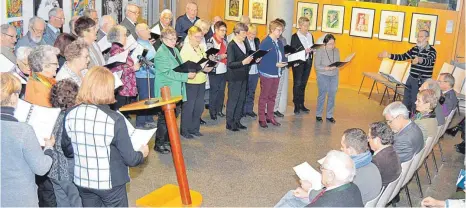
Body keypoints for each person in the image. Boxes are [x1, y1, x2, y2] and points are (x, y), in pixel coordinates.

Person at [61, 66, 149, 207]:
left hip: (83, 180)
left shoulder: (71, 113)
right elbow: (131, 159)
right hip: (109, 182)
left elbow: (67, 150)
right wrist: (142, 153)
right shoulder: (114, 119)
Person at [0, 72, 55, 207]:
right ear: (13, 97)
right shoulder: (23, 131)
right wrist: (49, 148)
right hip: (21, 199)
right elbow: (41, 168)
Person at [154, 27, 196, 153]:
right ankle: (159, 143)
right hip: (166, 89)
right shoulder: (161, 53)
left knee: (174, 115)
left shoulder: (175, 50)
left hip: (176, 88)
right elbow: (167, 73)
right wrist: (186, 76)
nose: (174, 41)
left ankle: (167, 139)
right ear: (163, 39)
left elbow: (180, 66)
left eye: (175, 38)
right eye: (171, 39)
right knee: (164, 117)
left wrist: (189, 69)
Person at [275, 150, 363, 207]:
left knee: (288, 202)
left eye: (322, 168)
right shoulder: (354, 188)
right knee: (292, 195)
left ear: (331, 175)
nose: (321, 171)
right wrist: (308, 194)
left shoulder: (323, 204)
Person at [379, 30, 437, 113]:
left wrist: (419, 59)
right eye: (418, 36)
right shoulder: (414, 49)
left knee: (416, 102)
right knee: (406, 100)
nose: (418, 39)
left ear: (427, 38)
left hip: (422, 81)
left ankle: (413, 120)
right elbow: (403, 56)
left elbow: (429, 61)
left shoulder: (432, 51)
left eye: (421, 37)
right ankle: (404, 116)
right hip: (411, 78)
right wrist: (389, 55)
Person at [48, 79, 82, 207]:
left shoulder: (51, 115)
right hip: (69, 172)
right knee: (77, 202)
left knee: (62, 203)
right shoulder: (74, 119)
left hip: (53, 170)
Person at [180, 26, 213, 138]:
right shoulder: (185, 49)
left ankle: (194, 128)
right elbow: (185, 67)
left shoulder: (200, 48)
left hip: (201, 79)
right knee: (189, 107)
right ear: (190, 36)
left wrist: (208, 67)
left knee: (199, 106)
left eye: (200, 37)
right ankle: (185, 130)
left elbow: (203, 62)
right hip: (191, 82)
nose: (199, 39)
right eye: (196, 37)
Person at [340, 128, 382, 204]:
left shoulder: (350, 179)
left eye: (343, 147)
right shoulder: (374, 166)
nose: (341, 149)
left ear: (350, 150)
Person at [257, 20, 287, 128]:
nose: (280, 32)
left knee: (272, 97)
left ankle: (270, 116)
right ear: (272, 30)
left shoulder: (279, 42)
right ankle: (261, 118)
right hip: (267, 73)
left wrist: (287, 60)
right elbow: (261, 59)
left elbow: (282, 56)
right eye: (278, 30)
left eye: (281, 30)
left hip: (277, 73)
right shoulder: (265, 42)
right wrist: (276, 64)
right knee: (264, 96)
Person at [226, 23, 255, 131]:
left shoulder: (245, 43)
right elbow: (230, 63)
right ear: (236, 33)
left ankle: (237, 121)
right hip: (234, 77)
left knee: (241, 100)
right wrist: (243, 62)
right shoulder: (231, 45)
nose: (245, 35)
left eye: (246, 32)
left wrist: (254, 60)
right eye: (243, 33)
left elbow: (247, 60)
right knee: (233, 100)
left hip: (244, 76)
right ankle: (230, 123)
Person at [108, 25, 140, 111]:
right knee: (120, 113)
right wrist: (133, 68)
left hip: (124, 88)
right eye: (124, 35)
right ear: (118, 37)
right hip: (121, 89)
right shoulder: (116, 51)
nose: (126, 37)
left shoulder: (120, 49)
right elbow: (118, 71)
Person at [290, 17, 315, 114]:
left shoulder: (310, 35)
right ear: (299, 25)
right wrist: (304, 51)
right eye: (305, 25)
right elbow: (293, 52)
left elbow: (311, 46)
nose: (307, 28)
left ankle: (301, 104)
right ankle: (296, 105)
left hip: (308, 61)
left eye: (308, 25)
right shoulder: (295, 37)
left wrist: (313, 50)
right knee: (297, 83)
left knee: (304, 83)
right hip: (298, 63)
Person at [135, 23, 157, 129]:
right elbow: (139, 59)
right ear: (140, 33)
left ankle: (148, 118)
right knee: (144, 98)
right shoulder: (139, 45)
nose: (149, 30)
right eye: (147, 29)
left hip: (151, 74)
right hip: (143, 75)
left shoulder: (148, 42)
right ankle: (140, 122)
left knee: (150, 97)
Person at [314, 34, 340, 123]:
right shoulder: (320, 51)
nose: (332, 46)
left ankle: (329, 115)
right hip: (323, 74)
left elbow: (337, 63)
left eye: (333, 43)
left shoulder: (336, 51)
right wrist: (327, 68)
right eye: (330, 44)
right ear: (325, 44)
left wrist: (339, 65)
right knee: (322, 95)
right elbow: (317, 66)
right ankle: (318, 114)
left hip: (334, 75)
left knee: (332, 95)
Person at [367, 121, 402, 187]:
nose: (368, 140)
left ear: (376, 140)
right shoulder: (393, 151)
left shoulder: (375, 161)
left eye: (369, 137)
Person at [206, 21, 228, 120]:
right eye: (222, 30)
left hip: (223, 69)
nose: (224, 33)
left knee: (221, 91)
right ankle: (212, 111)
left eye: (225, 31)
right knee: (214, 91)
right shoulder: (210, 41)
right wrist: (220, 57)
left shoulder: (225, 41)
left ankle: (219, 110)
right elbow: (210, 57)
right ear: (216, 30)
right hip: (214, 70)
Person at [242, 24, 260, 118]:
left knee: (252, 91)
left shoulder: (257, 41)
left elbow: (259, 51)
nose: (252, 36)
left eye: (254, 34)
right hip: (247, 69)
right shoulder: (243, 42)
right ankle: (243, 110)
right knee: (245, 91)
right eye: (250, 33)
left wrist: (259, 58)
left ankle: (249, 109)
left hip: (255, 70)